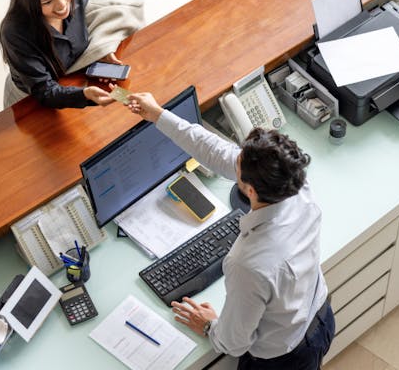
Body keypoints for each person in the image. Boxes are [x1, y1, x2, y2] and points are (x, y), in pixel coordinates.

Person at [126, 92, 335, 370]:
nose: (232, 158)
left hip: (285, 359)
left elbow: (234, 344)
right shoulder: (295, 182)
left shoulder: (248, 263)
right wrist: (158, 114)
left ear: (249, 190)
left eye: (238, 163)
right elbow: (217, 151)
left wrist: (211, 326)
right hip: (321, 317)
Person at [0, 0, 121, 109]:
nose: (62, 4)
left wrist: (101, 52)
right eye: (48, 1)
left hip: (72, 82)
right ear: (30, 3)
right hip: (30, 98)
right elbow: (44, 90)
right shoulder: (15, 33)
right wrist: (82, 95)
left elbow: (91, 26)